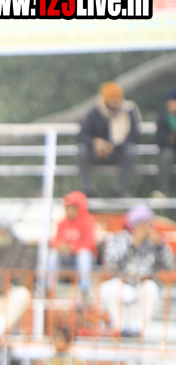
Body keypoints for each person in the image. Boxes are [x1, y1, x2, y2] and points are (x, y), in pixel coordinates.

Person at [98, 204, 176, 336]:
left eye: (147, 223)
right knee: (107, 289)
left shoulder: (156, 241)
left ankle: (138, 329)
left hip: (144, 284)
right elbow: (111, 264)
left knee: (150, 288)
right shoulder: (118, 238)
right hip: (122, 282)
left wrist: (160, 246)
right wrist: (133, 244)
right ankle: (120, 328)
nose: (145, 227)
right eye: (141, 223)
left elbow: (170, 266)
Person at [77, 81, 141, 198]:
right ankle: (88, 190)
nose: (115, 102)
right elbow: (81, 135)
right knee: (81, 151)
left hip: (117, 152)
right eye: (112, 99)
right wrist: (96, 142)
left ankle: (120, 191)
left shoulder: (128, 112)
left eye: (117, 99)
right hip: (97, 153)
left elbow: (135, 135)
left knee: (131, 151)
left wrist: (114, 146)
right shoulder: (95, 112)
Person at [49, 190, 100, 295]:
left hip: (82, 258)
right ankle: (50, 289)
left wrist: (73, 248)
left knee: (83, 255)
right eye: (68, 207)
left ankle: (84, 291)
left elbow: (90, 243)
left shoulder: (88, 221)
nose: (70, 210)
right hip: (67, 257)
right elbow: (56, 241)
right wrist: (60, 246)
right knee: (52, 255)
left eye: (73, 207)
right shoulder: (62, 222)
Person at [155, 88, 176, 198]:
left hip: (171, 146)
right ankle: (163, 191)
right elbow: (161, 140)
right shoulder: (163, 118)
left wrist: (172, 139)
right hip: (169, 151)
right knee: (166, 155)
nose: (170, 103)